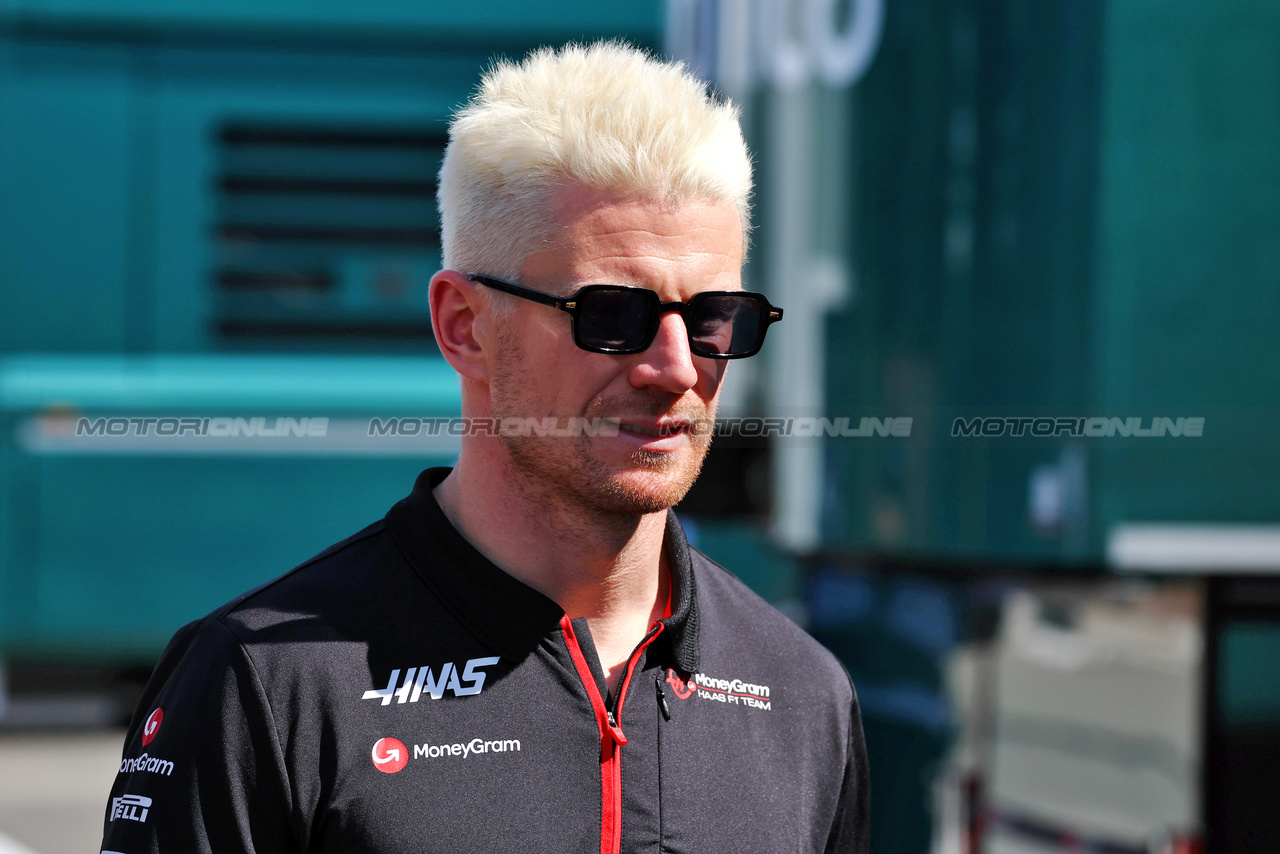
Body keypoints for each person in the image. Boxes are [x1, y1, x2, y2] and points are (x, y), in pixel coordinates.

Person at [101, 41, 868, 854]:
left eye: (717, 317)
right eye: (612, 315)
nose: (678, 367)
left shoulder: (803, 694)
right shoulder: (262, 682)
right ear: (464, 326)